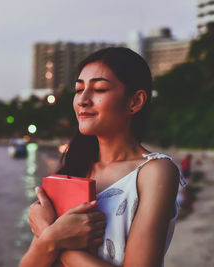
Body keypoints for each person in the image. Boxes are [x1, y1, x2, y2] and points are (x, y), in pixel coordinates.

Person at [20, 47, 186, 267]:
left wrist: (50, 236)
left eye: (99, 89)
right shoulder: (73, 170)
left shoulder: (155, 172)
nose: (83, 100)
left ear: (135, 101)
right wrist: (50, 238)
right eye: (79, 90)